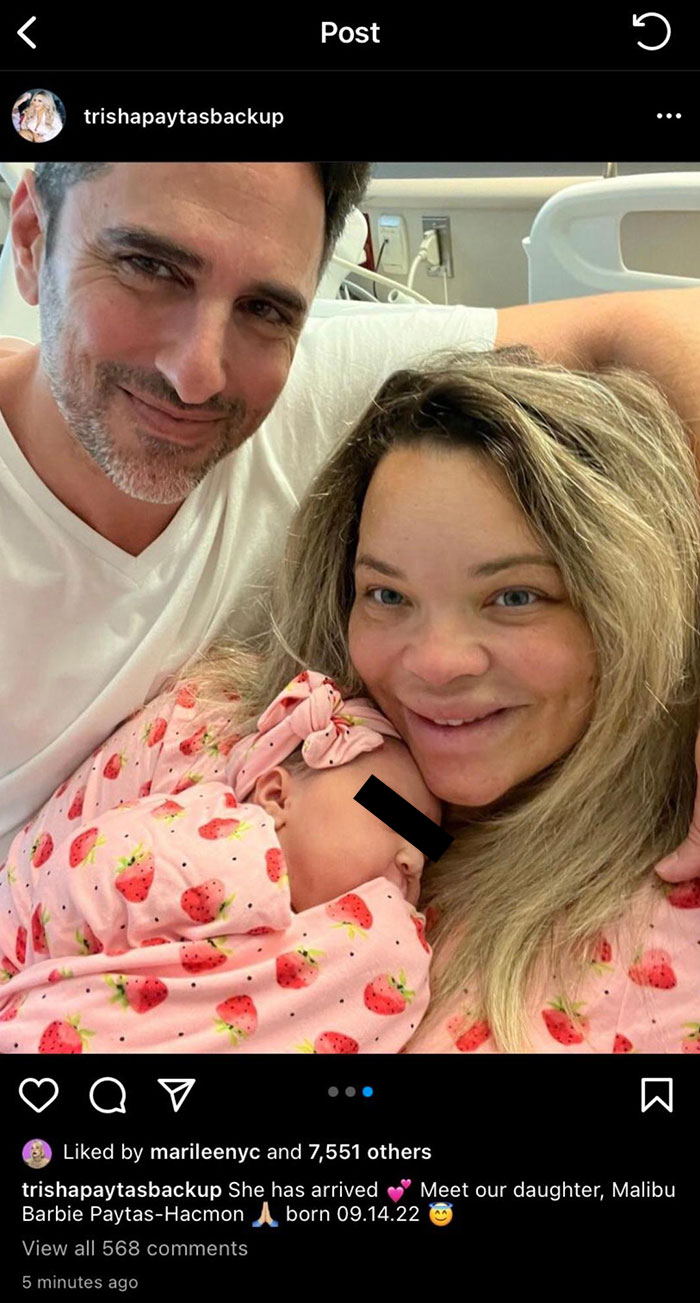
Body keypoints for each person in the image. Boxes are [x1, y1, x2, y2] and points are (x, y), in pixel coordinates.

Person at [4, 160, 700, 864]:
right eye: (150, 268)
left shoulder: (324, 407)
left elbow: (651, 326)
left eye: (265, 309)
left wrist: (409, 858)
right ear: (31, 238)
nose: (198, 375)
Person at [186, 348, 700, 1054]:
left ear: (629, 607)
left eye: (514, 597)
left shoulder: (668, 936)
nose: (434, 662)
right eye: (387, 594)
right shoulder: (225, 729)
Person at [0, 672, 438, 1053]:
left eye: (425, 847)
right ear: (276, 796)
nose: (413, 861)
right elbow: (80, 886)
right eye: (393, 816)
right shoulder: (221, 844)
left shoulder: (344, 950)